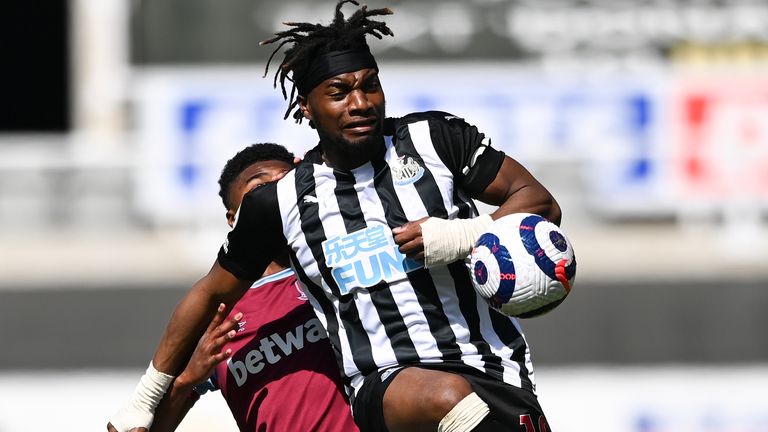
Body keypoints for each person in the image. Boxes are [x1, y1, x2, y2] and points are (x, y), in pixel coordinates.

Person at [109, 1, 563, 431]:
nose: (360, 102)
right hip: (385, 382)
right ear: (306, 107)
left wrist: (461, 235)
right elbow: (209, 294)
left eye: (370, 85)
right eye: (339, 92)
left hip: (495, 367)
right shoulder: (281, 202)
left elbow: (540, 204)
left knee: (466, 401)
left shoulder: (434, 139)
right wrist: (145, 400)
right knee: (446, 396)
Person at [110, 144, 358, 432]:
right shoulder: (216, 316)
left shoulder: (338, 271)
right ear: (233, 218)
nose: (275, 198)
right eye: (261, 189)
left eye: (285, 186)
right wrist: (189, 378)